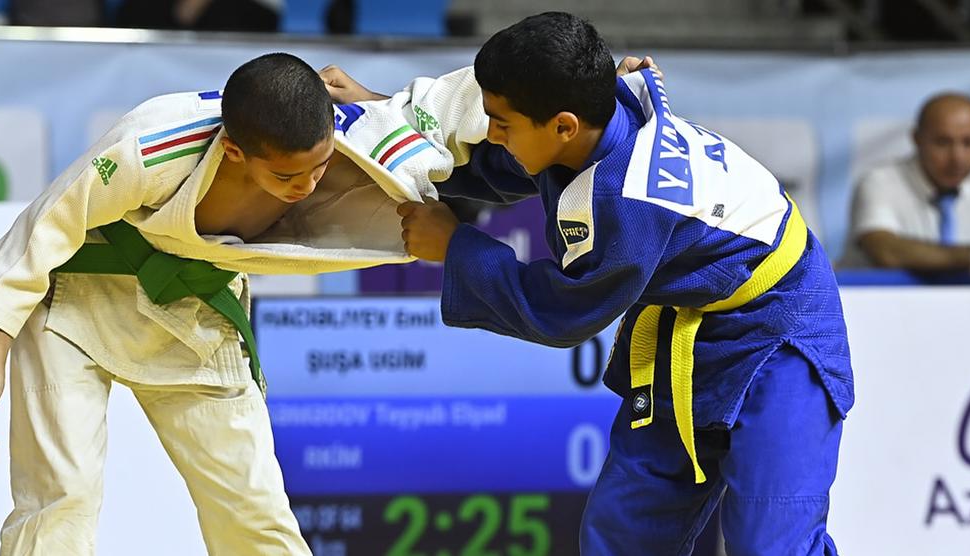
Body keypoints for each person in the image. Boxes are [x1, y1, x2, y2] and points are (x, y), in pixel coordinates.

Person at [326, 12, 853, 555]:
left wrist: (455, 246)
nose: (491, 133)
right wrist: (380, 115)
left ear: (563, 125)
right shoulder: (606, 106)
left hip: (778, 325)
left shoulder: (624, 202)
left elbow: (561, 311)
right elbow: (504, 161)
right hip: (687, 317)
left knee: (773, 545)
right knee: (620, 535)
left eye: (502, 123)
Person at [0, 52, 343, 556]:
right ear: (234, 150)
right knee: (60, 501)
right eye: (286, 177)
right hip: (77, 305)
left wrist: (370, 98)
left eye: (319, 168)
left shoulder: (346, 129)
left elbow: (435, 108)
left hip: (194, 314)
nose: (306, 186)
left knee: (255, 511)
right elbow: (41, 232)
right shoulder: (147, 146)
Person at [842, 92, 970, 282]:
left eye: (969, 142)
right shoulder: (879, 182)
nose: (957, 158)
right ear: (916, 139)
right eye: (943, 142)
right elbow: (885, 251)